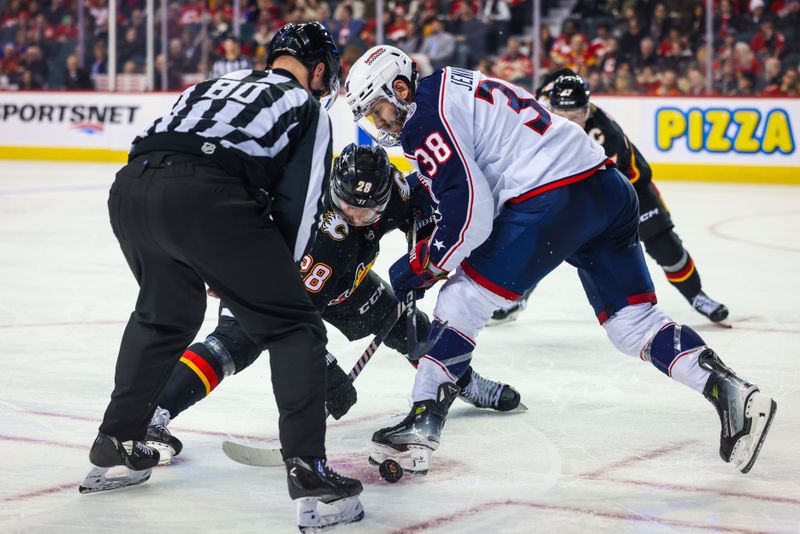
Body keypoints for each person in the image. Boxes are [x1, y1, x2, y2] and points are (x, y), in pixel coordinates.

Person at [344, 45, 776, 477]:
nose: (380, 122)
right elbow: (481, 178)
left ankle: (421, 425)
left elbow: (471, 214)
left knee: (461, 299)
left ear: (400, 88)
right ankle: (732, 393)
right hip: (606, 188)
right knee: (633, 325)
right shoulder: (451, 85)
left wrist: (424, 266)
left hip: (553, 196)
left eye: (379, 109)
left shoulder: (423, 118)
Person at [79, 22, 364, 532]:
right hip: (207, 198)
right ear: (320, 69)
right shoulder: (305, 107)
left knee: (164, 315)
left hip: (132, 190)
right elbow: (298, 209)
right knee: (294, 326)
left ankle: (115, 445)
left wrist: (222, 255)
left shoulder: (211, 84)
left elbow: (160, 146)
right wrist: (258, 280)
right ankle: (309, 472)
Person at [145, 143, 522, 461]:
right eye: (347, 207)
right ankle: (152, 414)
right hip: (265, 288)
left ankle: (463, 381)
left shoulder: (389, 189)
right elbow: (293, 323)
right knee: (234, 344)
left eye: (367, 210)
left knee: (402, 321)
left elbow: (419, 200)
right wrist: (327, 374)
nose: (357, 216)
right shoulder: (324, 237)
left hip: (344, 283)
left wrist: (419, 247)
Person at [491, 69, 730, 325]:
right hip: (579, 189)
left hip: (630, 188)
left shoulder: (605, 135)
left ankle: (697, 295)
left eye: (576, 117)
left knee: (664, 245)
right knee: (547, 241)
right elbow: (558, 79)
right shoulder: (545, 112)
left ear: (588, 110)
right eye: (563, 116)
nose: (570, 124)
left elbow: (601, 186)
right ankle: (519, 298)